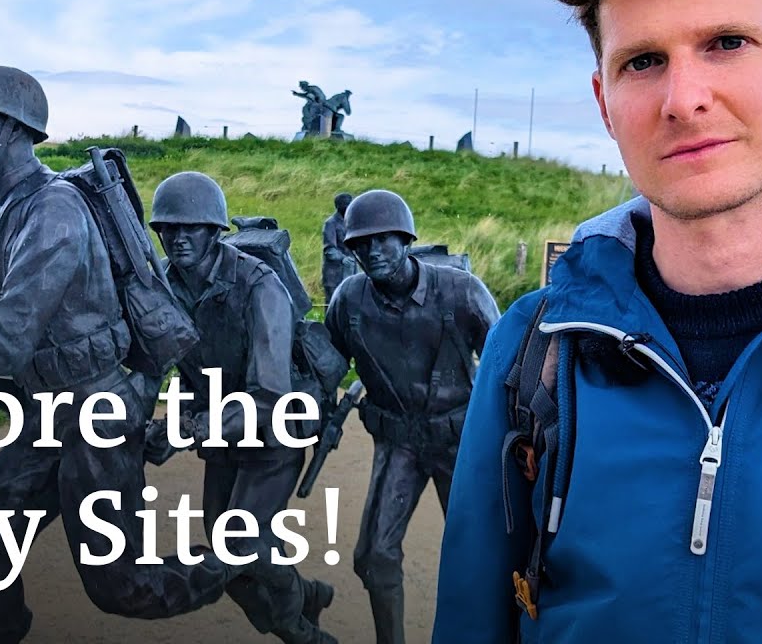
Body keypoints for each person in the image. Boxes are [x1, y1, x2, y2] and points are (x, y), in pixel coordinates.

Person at [432, 0, 762, 642]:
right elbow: (473, 619)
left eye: (727, 43)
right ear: (604, 99)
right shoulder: (535, 350)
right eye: (642, 61)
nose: (683, 98)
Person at [0, 65, 277, 643]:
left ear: (14, 129)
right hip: (49, 411)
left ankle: (238, 561)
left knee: (124, 588)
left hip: (98, 412)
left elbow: (4, 338)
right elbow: (25, 337)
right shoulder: (1, 207)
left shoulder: (54, 209)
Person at [143, 171, 338, 644]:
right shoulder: (163, 286)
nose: (178, 237)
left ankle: (304, 634)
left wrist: (191, 430)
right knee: (227, 545)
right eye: (169, 227)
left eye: (191, 227)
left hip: (275, 430)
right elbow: (155, 360)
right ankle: (305, 594)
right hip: (222, 434)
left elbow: (269, 395)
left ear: (215, 231)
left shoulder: (258, 285)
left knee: (240, 546)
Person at [323, 189, 500, 644]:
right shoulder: (349, 299)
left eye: (383, 240)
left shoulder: (461, 292)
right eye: (361, 244)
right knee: (374, 556)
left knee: (481, 554)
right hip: (400, 441)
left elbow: (506, 367)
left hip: (460, 439)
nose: (372, 252)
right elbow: (325, 366)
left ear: (405, 240)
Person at [321, 192, 356, 302]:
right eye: (345, 206)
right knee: (333, 304)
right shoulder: (330, 223)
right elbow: (329, 250)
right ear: (338, 207)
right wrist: (343, 258)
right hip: (335, 274)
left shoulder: (353, 222)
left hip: (352, 272)